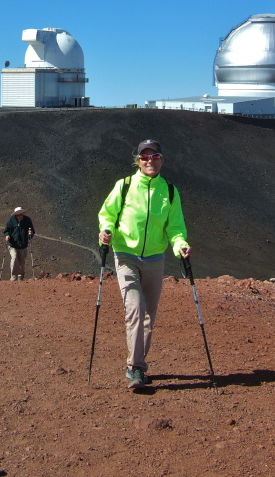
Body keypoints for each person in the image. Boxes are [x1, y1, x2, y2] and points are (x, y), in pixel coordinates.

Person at [97, 139, 191, 388]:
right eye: (145, 157)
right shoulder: (124, 186)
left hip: (155, 258)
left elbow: (176, 227)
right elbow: (107, 214)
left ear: (162, 160)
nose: (151, 161)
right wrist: (105, 230)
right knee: (136, 309)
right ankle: (135, 368)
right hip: (125, 255)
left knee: (149, 315)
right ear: (137, 161)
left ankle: (137, 363)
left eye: (155, 156)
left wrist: (180, 245)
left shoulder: (169, 191)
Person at [3, 207, 35, 281]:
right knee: (14, 258)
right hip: (12, 244)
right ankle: (13, 277)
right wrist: (7, 235)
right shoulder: (11, 220)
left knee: (22, 261)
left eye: (21, 215)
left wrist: (30, 233)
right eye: (18, 215)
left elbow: (31, 230)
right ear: (15, 215)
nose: (20, 216)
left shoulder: (27, 220)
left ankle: (21, 276)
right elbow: (6, 230)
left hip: (23, 244)